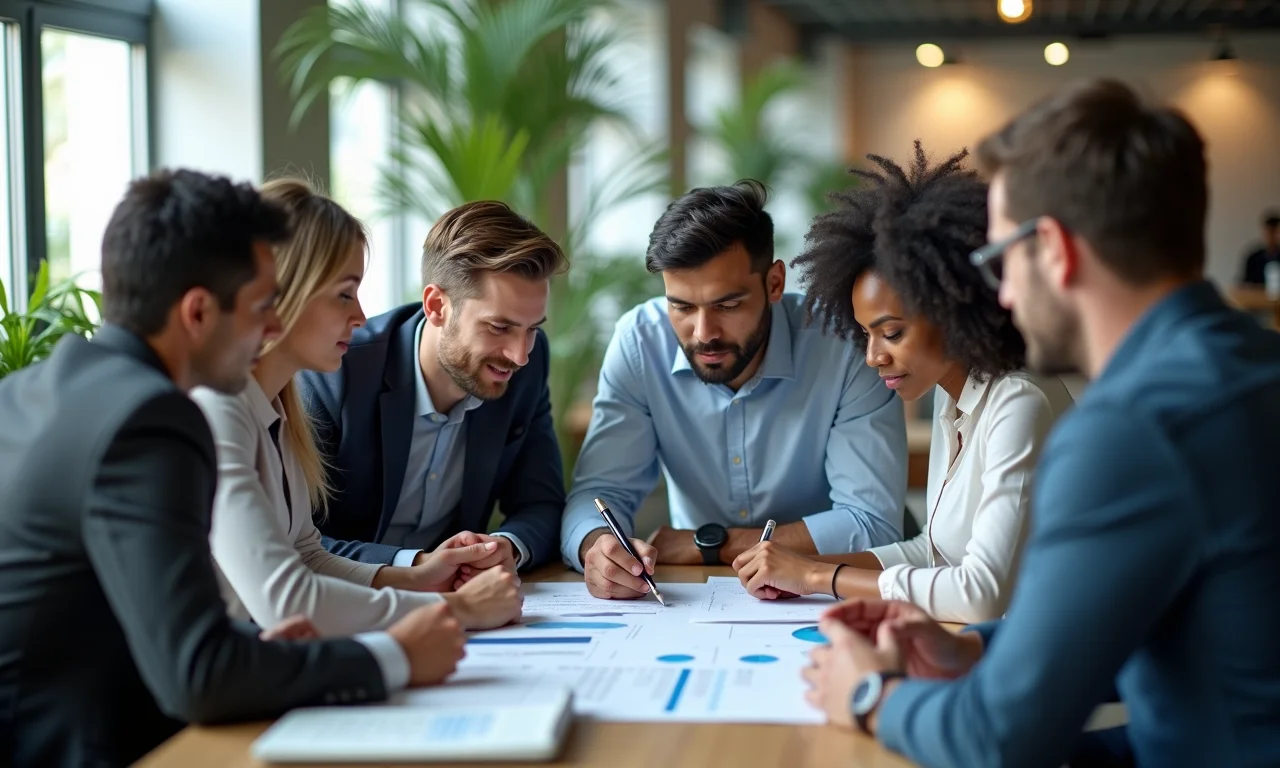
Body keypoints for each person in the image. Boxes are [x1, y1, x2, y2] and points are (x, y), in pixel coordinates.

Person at [803, 79, 1280, 768]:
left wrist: (868, 696)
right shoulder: (1254, 364)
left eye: (1000, 259)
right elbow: (1205, 663)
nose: (997, 294)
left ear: (1052, 248)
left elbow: (998, 738)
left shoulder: (1130, 431)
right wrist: (976, 646)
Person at [0, 170, 468, 768]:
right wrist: (396, 657)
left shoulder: (42, 388)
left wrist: (254, 652)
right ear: (197, 312)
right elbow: (198, 673)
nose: (273, 328)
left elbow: (147, 631)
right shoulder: (151, 421)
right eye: (260, 307)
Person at [732, 143, 1073, 624]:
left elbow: (982, 592)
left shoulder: (1020, 402)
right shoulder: (951, 397)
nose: (873, 356)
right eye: (866, 333)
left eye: (892, 333)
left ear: (952, 308)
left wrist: (816, 580)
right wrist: (801, 570)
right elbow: (934, 553)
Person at [192, 179, 521, 637]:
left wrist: (420, 578)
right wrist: (458, 611)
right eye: (345, 293)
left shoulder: (277, 408)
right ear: (282, 294)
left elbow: (307, 556)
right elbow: (286, 600)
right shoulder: (217, 409)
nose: (361, 316)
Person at [562, 180, 908, 599]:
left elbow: (871, 522)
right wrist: (596, 547)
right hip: (697, 597)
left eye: (727, 305)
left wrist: (706, 545)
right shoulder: (639, 342)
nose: (704, 333)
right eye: (682, 307)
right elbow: (599, 494)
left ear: (775, 283)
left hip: (827, 591)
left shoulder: (844, 343)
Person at [299, 200, 567, 574]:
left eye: (533, 328)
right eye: (499, 327)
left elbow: (543, 503)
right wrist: (416, 566)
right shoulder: (335, 371)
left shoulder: (528, 367)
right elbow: (296, 541)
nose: (520, 355)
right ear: (437, 305)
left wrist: (507, 546)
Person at [1239, 210, 1280, 286]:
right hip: (1257, 297)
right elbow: (1244, 284)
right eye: (1269, 232)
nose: (1272, 236)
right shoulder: (1253, 258)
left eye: (1275, 232)